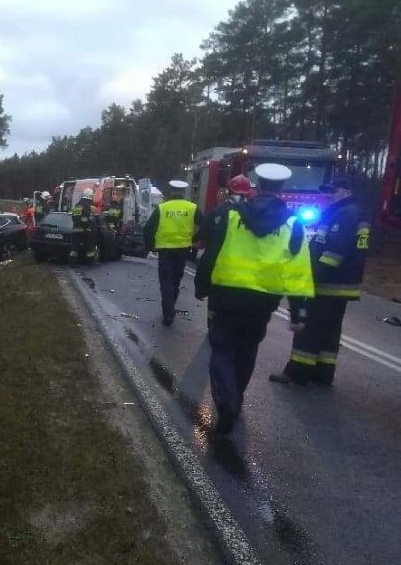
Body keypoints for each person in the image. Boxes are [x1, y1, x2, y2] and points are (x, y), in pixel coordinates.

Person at [195, 163, 314, 436]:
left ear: (256, 186)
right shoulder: (295, 225)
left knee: (222, 350)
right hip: (263, 302)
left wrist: (202, 286)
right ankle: (235, 397)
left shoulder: (232, 216)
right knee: (247, 350)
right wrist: (298, 314)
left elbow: (211, 254)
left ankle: (228, 403)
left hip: (227, 297)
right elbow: (297, 272)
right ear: (281, 189)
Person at [270, 177, 370, 386]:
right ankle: (323, 372)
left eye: (333, 191)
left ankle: (297, 372)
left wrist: (312, 278)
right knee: (329, 331)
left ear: (347, 191)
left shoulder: (344, 214)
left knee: (310, 328)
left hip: (328, 284)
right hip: (341, 286)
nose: (329, 194)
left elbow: (334, 252)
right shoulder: (354, 212)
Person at [143, 179, 203, 325]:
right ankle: (171, 308)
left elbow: (148, 228)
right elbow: (206, 225)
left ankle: (168, 313)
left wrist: (152, 246)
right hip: (183, 251)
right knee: (175, 281)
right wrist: (194, 239)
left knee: (166, 282)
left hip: (165, 251)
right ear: (183, 192)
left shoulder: (162, 208)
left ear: (170, 191)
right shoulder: (192, 207)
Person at [71, 187, 96, 262]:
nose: (92, 197)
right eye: (92, 196)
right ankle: (89, 261)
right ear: (89, 196)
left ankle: (72, 262)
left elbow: (74, 217)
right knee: (89, 247)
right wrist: (87, 226)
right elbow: (86, 218)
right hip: (86, 229)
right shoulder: (87, 205)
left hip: (76, 229)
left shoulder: (77, 204)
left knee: (75, 247)